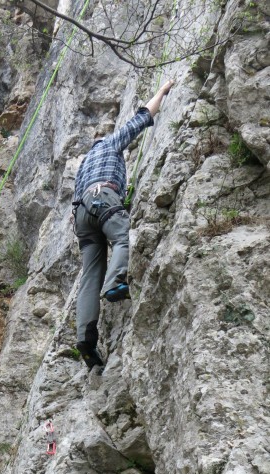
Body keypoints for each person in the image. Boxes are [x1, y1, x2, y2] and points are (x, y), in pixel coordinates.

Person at [73, 79, 174, 369]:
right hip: (102, 196)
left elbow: (77, 201)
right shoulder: (109, 145)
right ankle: (116, 282)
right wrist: (162, 91)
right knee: (120, 238)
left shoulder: (83, 166)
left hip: (81, 216)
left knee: (90, 274)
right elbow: (141, 119)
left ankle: (86, 338)